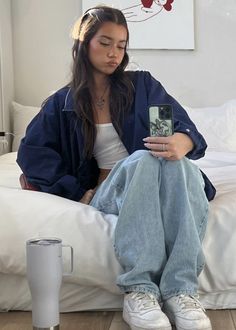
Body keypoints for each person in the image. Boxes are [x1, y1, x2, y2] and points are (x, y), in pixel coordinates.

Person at [17, 5, 216, 330]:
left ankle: (181, 292)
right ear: (84, 44)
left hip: (164, 182)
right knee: (143, 158)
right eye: (105, 42)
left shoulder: (142, 87)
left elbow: (178, 124)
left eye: (121, 45)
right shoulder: (62, 103)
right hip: (112, 192)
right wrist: (75, 191)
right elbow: (32, 153)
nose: (114, 53)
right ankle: (139, 289)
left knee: (176, 164)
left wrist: (184, 140)